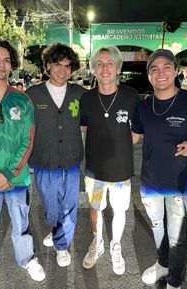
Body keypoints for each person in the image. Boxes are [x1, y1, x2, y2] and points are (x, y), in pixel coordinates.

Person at [0, 37, 45, 289]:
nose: (1, 64)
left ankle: (27, 259)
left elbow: (28, 139)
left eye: (6, 60)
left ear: (12, 65)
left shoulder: (22, 100)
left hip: (16, 177)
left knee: (21, 224)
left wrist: (9, 173)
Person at [131, 48, 187, 289]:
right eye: (154, 69)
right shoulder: (144, 107)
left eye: (166, 67)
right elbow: (131, 136)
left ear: (175, 71)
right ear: (149, 76)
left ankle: (174, 282)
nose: (160, 72)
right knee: (157, 228)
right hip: (150, 183)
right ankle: (162, 263)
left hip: (181, 186)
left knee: (178, 238)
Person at [80, 46, 139, 275]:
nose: (105, 68)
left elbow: (136, 134)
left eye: (110, 63)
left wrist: (119, 147)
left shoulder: (131, 96)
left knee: (120, 210)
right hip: (94, 171)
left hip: (121, 170)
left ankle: (115, 245)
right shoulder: (87, 98)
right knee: (96, 207)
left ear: (118, 68)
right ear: (94, 69)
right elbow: (84, 128)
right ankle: (98, 242)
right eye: (100, 64)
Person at [26, 42, 86, 267]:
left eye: (68, 65)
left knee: (69, 206)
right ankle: (56, 226)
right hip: (44, 161)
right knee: (51, 207)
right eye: (57, 64)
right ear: (48, 66)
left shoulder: (80, 93)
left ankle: (62, 245)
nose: (63, 70)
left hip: (71, 161)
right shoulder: (33, 94)